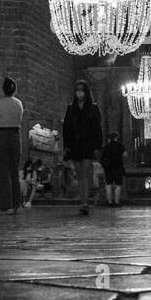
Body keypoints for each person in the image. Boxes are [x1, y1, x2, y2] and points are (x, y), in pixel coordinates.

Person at [61, 79, 103, 215]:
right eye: (77, 90)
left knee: (85, 172)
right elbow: (66, 128)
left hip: (88, 143)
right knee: (79, 174)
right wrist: (66, 145)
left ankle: (85, 202)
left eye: (82, 90)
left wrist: (97, 146)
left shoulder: (93, 107)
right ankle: (83, 202)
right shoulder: (70, 108)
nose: (79, 93)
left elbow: (98, 128)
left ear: (86, 91)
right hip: (75, 144)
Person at [0, 76, 24, 216]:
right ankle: (17, 204)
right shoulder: (19, 103)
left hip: (2, 135)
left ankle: (6, 206)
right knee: (14, 170)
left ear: (3, 89)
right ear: (15, 89)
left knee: (2, 171)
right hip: (16, 135)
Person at [100, 131, 126, 206]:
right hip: (118, 167)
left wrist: (104, 164)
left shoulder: (106, 146)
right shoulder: (120, 145)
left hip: (108, 168)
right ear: (116, 138)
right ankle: (117, 202)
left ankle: (109, 202)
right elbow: (125, 154)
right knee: (118, 185)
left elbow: (101, 157)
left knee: (108, 184)